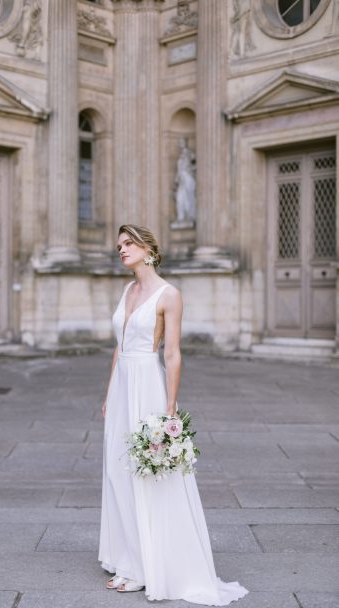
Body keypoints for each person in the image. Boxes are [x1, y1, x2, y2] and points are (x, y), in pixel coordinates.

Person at [98, 224, 248, 605]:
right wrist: (108, 393)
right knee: (117, 472)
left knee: (147, 472)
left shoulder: (170, 294)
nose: (122, 250)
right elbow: (119, 347)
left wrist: (170, 406)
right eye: (119, 245)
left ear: (148, 248)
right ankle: (127, 558)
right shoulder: (127, 290)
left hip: (149, 383)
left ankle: (148, 567)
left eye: (128, 243)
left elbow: (173, 353)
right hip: (122, 387)